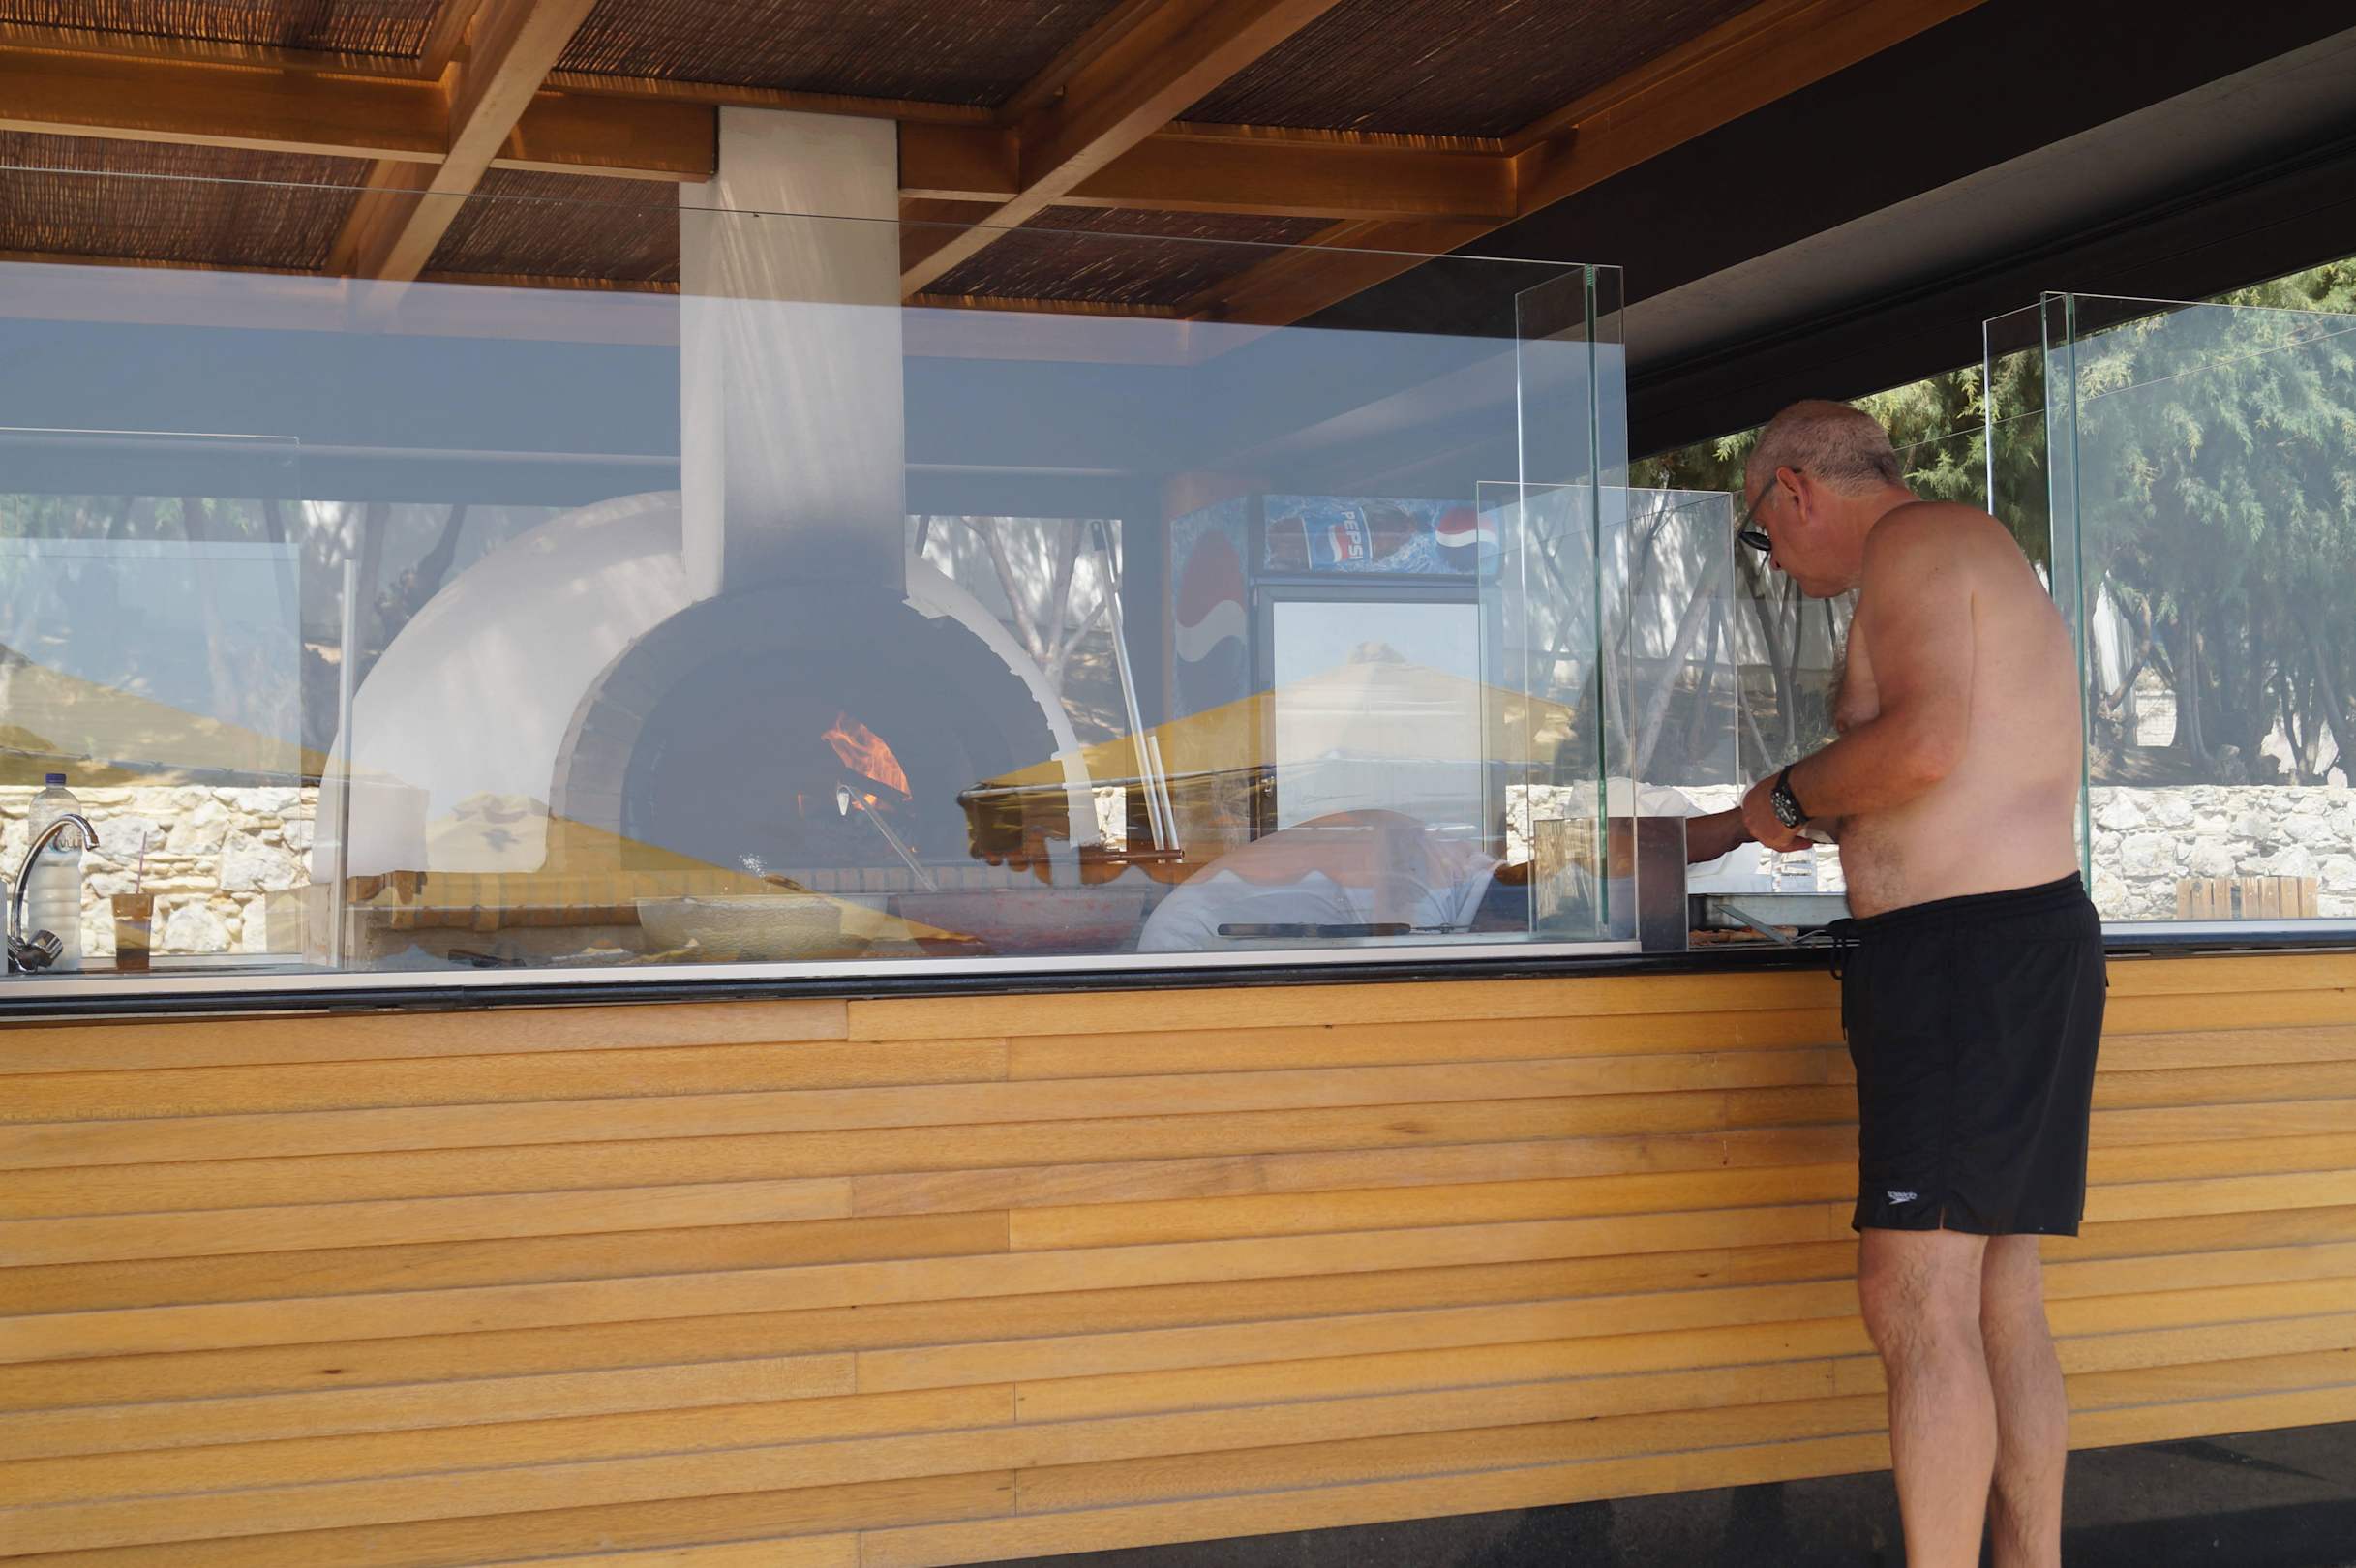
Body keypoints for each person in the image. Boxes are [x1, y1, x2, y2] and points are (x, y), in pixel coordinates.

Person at [1733, 401, 2099, 1568]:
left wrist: (1787, 797)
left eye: (1761, 534)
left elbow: (1925, 747)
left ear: (1795, 490)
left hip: (1960, 962)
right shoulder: (1965, 545)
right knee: (1999, 1296)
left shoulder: (1913, 542)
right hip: (2019, 942)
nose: (1773, 564)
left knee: (1915, 1297)